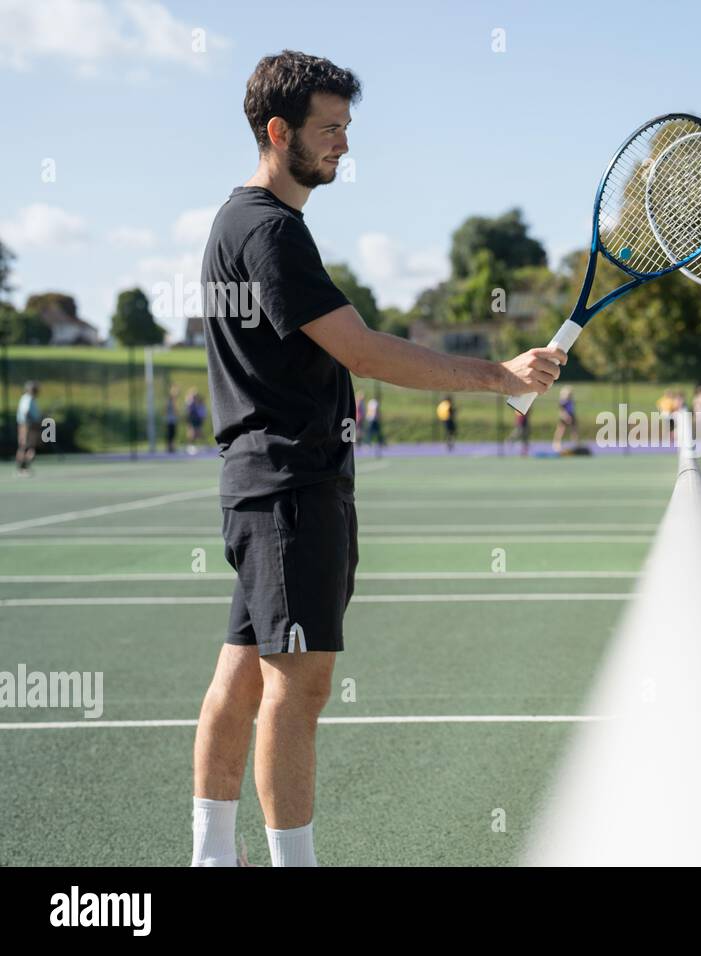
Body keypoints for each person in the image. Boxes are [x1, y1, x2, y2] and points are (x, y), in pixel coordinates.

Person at [191, 50, 565, 868]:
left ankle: (213, 857)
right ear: (278, 130)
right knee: (298, 686)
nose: (343, 146)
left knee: (247, 675)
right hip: (291, 488)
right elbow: (361, 350)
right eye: (329, 130)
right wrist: (496, 376)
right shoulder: (268, 231)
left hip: (269, 487)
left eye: (348, 129)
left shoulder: (241, 222)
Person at [14, 381, 40, 476]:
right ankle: (21, 469)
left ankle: (24, 468)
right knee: (24, 447)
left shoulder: (31, 399)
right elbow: (25, 412)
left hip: (29, 425)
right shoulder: (27, 398)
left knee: (29, 448)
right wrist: (32, 421)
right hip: (26, 425)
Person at [184, 387, 207, 455]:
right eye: (194, 395)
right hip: (192, 418)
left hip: (196, 419)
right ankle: (190, 446)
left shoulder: (198, 402)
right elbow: (188, 409)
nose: (195, 396)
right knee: (192, 432)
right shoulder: (190, 402)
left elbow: (200, 410)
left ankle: (202, 445)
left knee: (198, 432)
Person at [553, 386, 576, 452]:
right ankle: (557, 445)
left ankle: (575, 444)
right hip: (565, 417)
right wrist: (566, 417)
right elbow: (561, 411)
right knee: (560, 430)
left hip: (571, 416)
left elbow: (572, 409)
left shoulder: (571, 400)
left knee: (574, 430)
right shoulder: (563, 401)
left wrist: (571, 416)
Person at [165, 385, 180, 454]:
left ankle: (171, 447)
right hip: (170, 420)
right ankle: (170, 448)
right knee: (171, 434)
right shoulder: (170, 401)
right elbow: (175, 410)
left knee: (172, 434)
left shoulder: (171, 400)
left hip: (172, 420)